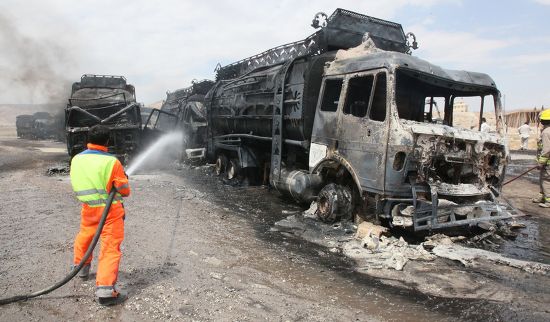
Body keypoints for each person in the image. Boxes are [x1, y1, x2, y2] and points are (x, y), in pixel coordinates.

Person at [70, 125, 130, 305]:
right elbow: (124, 190)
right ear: (107, 141)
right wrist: (124, 179)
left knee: (85, 236)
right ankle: (105, 291)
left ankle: (80, 269)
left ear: (88, 139)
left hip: (88, 207)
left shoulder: (77, 159)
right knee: (110, 247)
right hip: (109, 211)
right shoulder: (112, 162)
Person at [534, 110, 550, 208]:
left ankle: (548, 201)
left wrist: (541, 162)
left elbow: (547, 149)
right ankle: (542, 196)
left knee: (546, 181)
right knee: (543, 179)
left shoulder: (546, 132)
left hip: (547, 162)